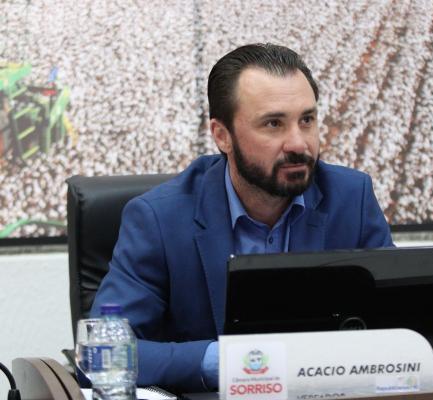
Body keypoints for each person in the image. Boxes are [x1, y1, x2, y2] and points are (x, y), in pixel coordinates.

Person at [90, 43, 393, 392]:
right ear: (222, 136)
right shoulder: (159, 219)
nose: (299, 143)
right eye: (273, 124)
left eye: (307, 120)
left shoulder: (351, 198)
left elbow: (403, 326)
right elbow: (104, 356)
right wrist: (230, 363)